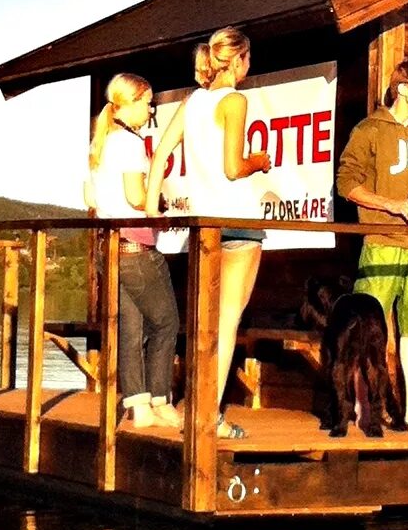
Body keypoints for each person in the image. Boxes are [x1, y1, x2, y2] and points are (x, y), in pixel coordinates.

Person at [144, 26, 271, 439]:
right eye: (247, 59)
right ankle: (208, 415)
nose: (247, 67)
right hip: (238, 219)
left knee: (204, 321)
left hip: (203, 223)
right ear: (236, 60)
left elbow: (162, 153)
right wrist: (260, 160)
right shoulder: (234, 100)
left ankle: (189, 405)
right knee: (227, 320)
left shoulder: (193, 101)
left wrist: (150, 206)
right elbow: (233, 167)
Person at [336, 59, 408, 427]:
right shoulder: (369, 130)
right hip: (380, 239)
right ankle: (361, 405)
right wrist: (392, 205)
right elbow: (346, 183)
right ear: (402, 88)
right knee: (367, 328)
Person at [87, 72, 181, 431]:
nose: (151, 109)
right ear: (132, 101)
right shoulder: (127, 143)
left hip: (108, 244)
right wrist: (159, 203)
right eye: (148, 102)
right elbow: (134, 196)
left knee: (131, 328)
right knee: (166, 321)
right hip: (135, 245)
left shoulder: (102, 141)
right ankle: (159, 399)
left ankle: (138, 406)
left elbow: (90, 198)